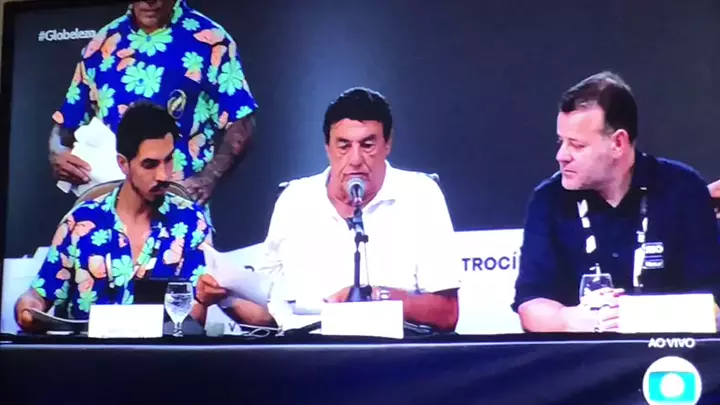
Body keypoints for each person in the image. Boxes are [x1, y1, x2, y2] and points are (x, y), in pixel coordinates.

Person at [196, 87, 461, 332]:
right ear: (327, 148)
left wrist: (376, 296)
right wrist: (225, 297)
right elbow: (270, 314)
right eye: (344, 146)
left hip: (394, 355)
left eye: (367, 145)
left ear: (387, 144)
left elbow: (447, 314)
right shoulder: (294, 200)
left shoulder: (419, 195)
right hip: (307, 355)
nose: (355, 160)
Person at [512, 71, 720, 333]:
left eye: (576, 145)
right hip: (583, 353)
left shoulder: (682, 188)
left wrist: (638, 317)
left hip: (671, 352)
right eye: (560, 141)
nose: (561, 155)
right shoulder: (548, 199)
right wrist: (568, 319)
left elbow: (711, 300)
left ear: (618, 143)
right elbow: (530, 304)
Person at [16, 101, 212, 332]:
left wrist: (204, 301)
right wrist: (27, 308)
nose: (163, 175)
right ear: (123, 164)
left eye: (168, 160)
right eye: (150, 164)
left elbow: (194, 317)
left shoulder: (192, 223)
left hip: (162, 354)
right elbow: (38, 295)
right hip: (86, 353)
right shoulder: (80, 222)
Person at [49, 0, 258, 216]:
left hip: (179, 211)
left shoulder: (210, 40)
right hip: (107, 210)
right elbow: (66, 122)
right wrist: (58, 153)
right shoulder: (102, 43)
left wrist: (209, 177)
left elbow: (241, 119)